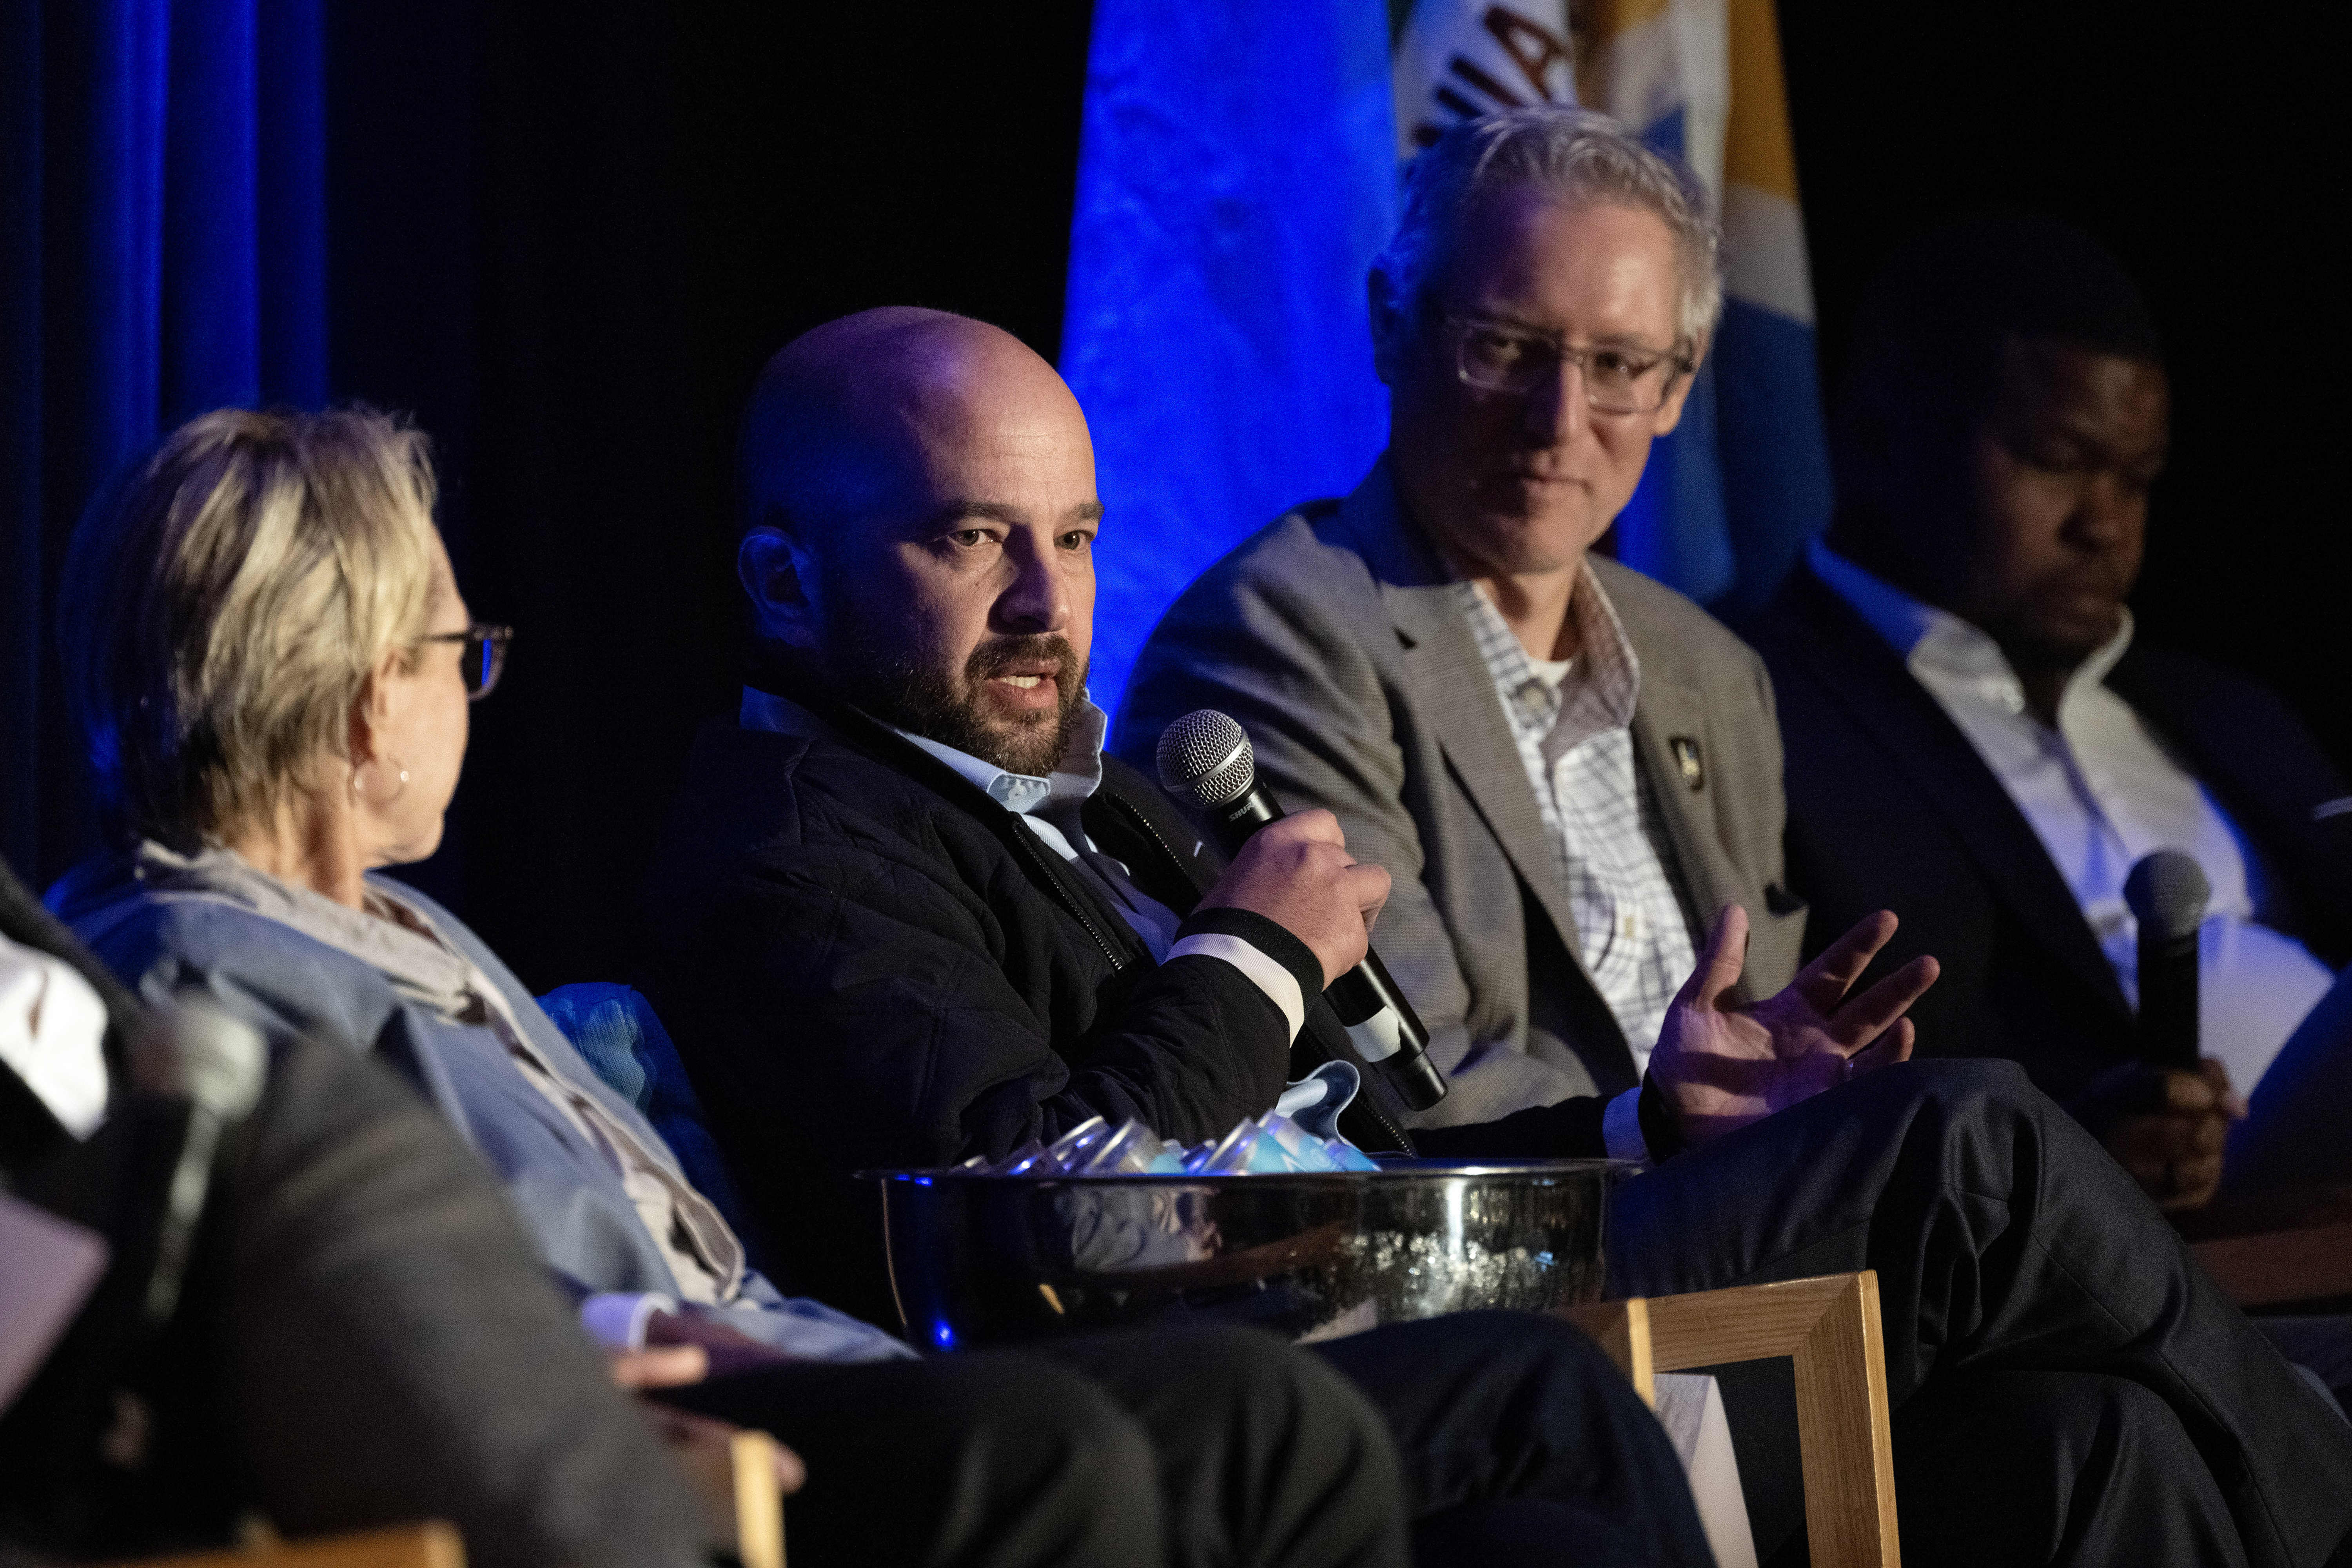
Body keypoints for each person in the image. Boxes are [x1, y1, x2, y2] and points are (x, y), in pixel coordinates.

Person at [1081, 106, 2352, 1564]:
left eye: (1619, 366)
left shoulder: (1703, 668)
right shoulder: (1283, 634)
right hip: (1483, 1272)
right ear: (1393, 324)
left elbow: (1759, 1037)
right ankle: (2323, 1466)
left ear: (1684, 384)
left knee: (2091, 1435)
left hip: (1744, 1263)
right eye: (1508, 345)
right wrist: (1669, 1119)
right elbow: (1395, 1098)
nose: (1563, 424)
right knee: (1969, 1142)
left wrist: (1793, 1080)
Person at [47, 407, 1451, 1568]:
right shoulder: (185, 969)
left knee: (1276, 1421)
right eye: (455, 657)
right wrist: (609, 1333)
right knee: (1105, 1444)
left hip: (783, 1358)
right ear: (365, 702)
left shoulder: (398, 918)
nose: (469, 696)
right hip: (642, 1435)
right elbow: (328, 1298)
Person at [1742, 214, 2352, 1207]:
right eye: (2060, 459)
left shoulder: (2229, 713)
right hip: (2102, 1278)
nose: (2104, 522)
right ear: (1883, 438)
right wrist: (2065, 1141)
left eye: (2138, 480)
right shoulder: (1758, 705)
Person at [4, 854, 723, 1568]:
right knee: (310, 1118)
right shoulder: (204, 951)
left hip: (218, 1346)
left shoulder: (417, 918)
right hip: (127, 1410)